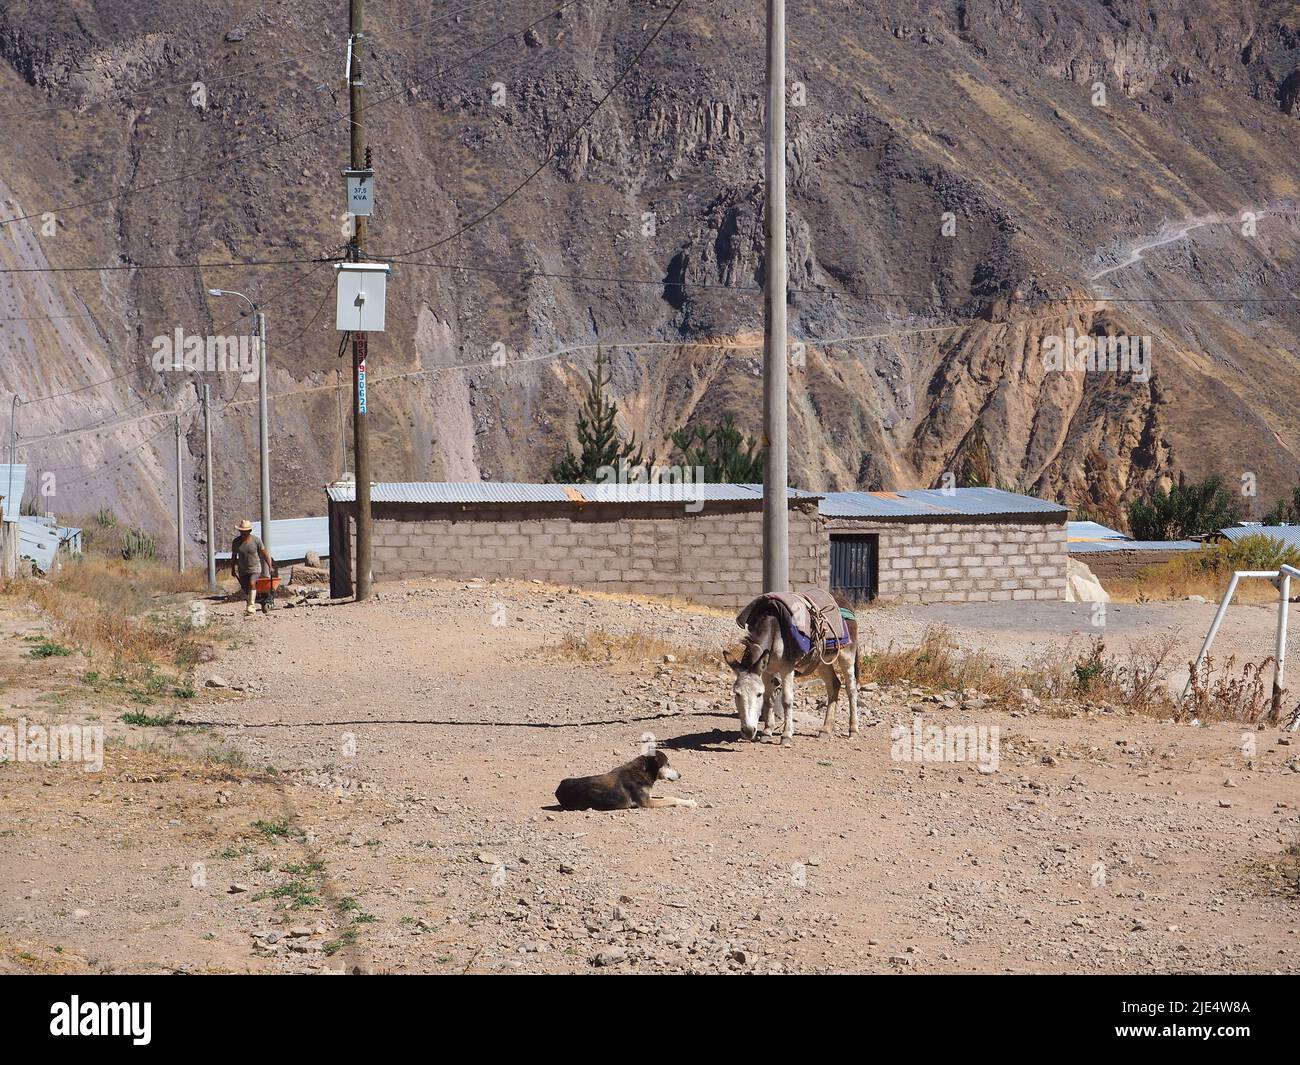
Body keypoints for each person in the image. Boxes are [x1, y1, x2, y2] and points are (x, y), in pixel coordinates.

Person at [230, 520, 275, 616]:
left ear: (249, 531)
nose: (243, 533)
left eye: (245, 531)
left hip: (255, 568)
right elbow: (234, 556)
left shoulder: (256, 540)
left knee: (252, 582)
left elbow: (265, 553)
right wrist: (233, 568)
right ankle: (259, 600)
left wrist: (270, 566)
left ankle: (251, 606)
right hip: (242, 570)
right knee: (246, 589)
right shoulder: (236, 542)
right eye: (241, 531)